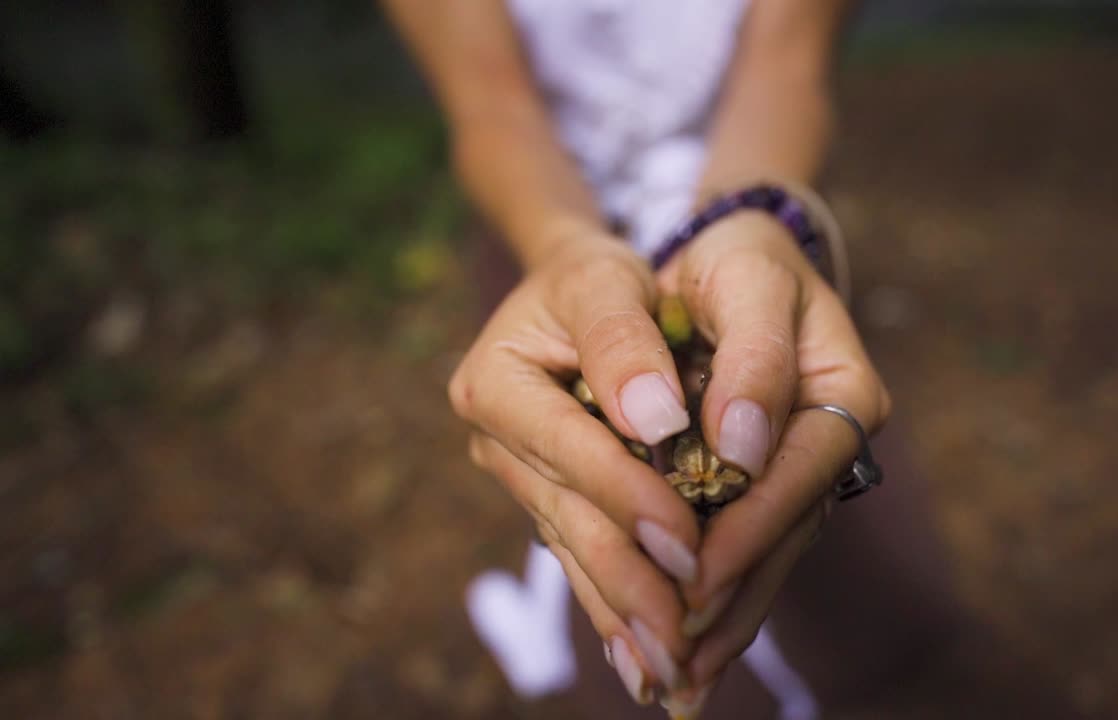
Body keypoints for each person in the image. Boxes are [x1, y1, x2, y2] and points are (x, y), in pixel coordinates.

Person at [382, 2, 1033, 718]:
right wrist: (564, 247)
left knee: (862, 598)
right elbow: (491, 105)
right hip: (548, 234)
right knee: (627, 573)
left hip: (757, 233)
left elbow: (786, 61)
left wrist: (751, 223)